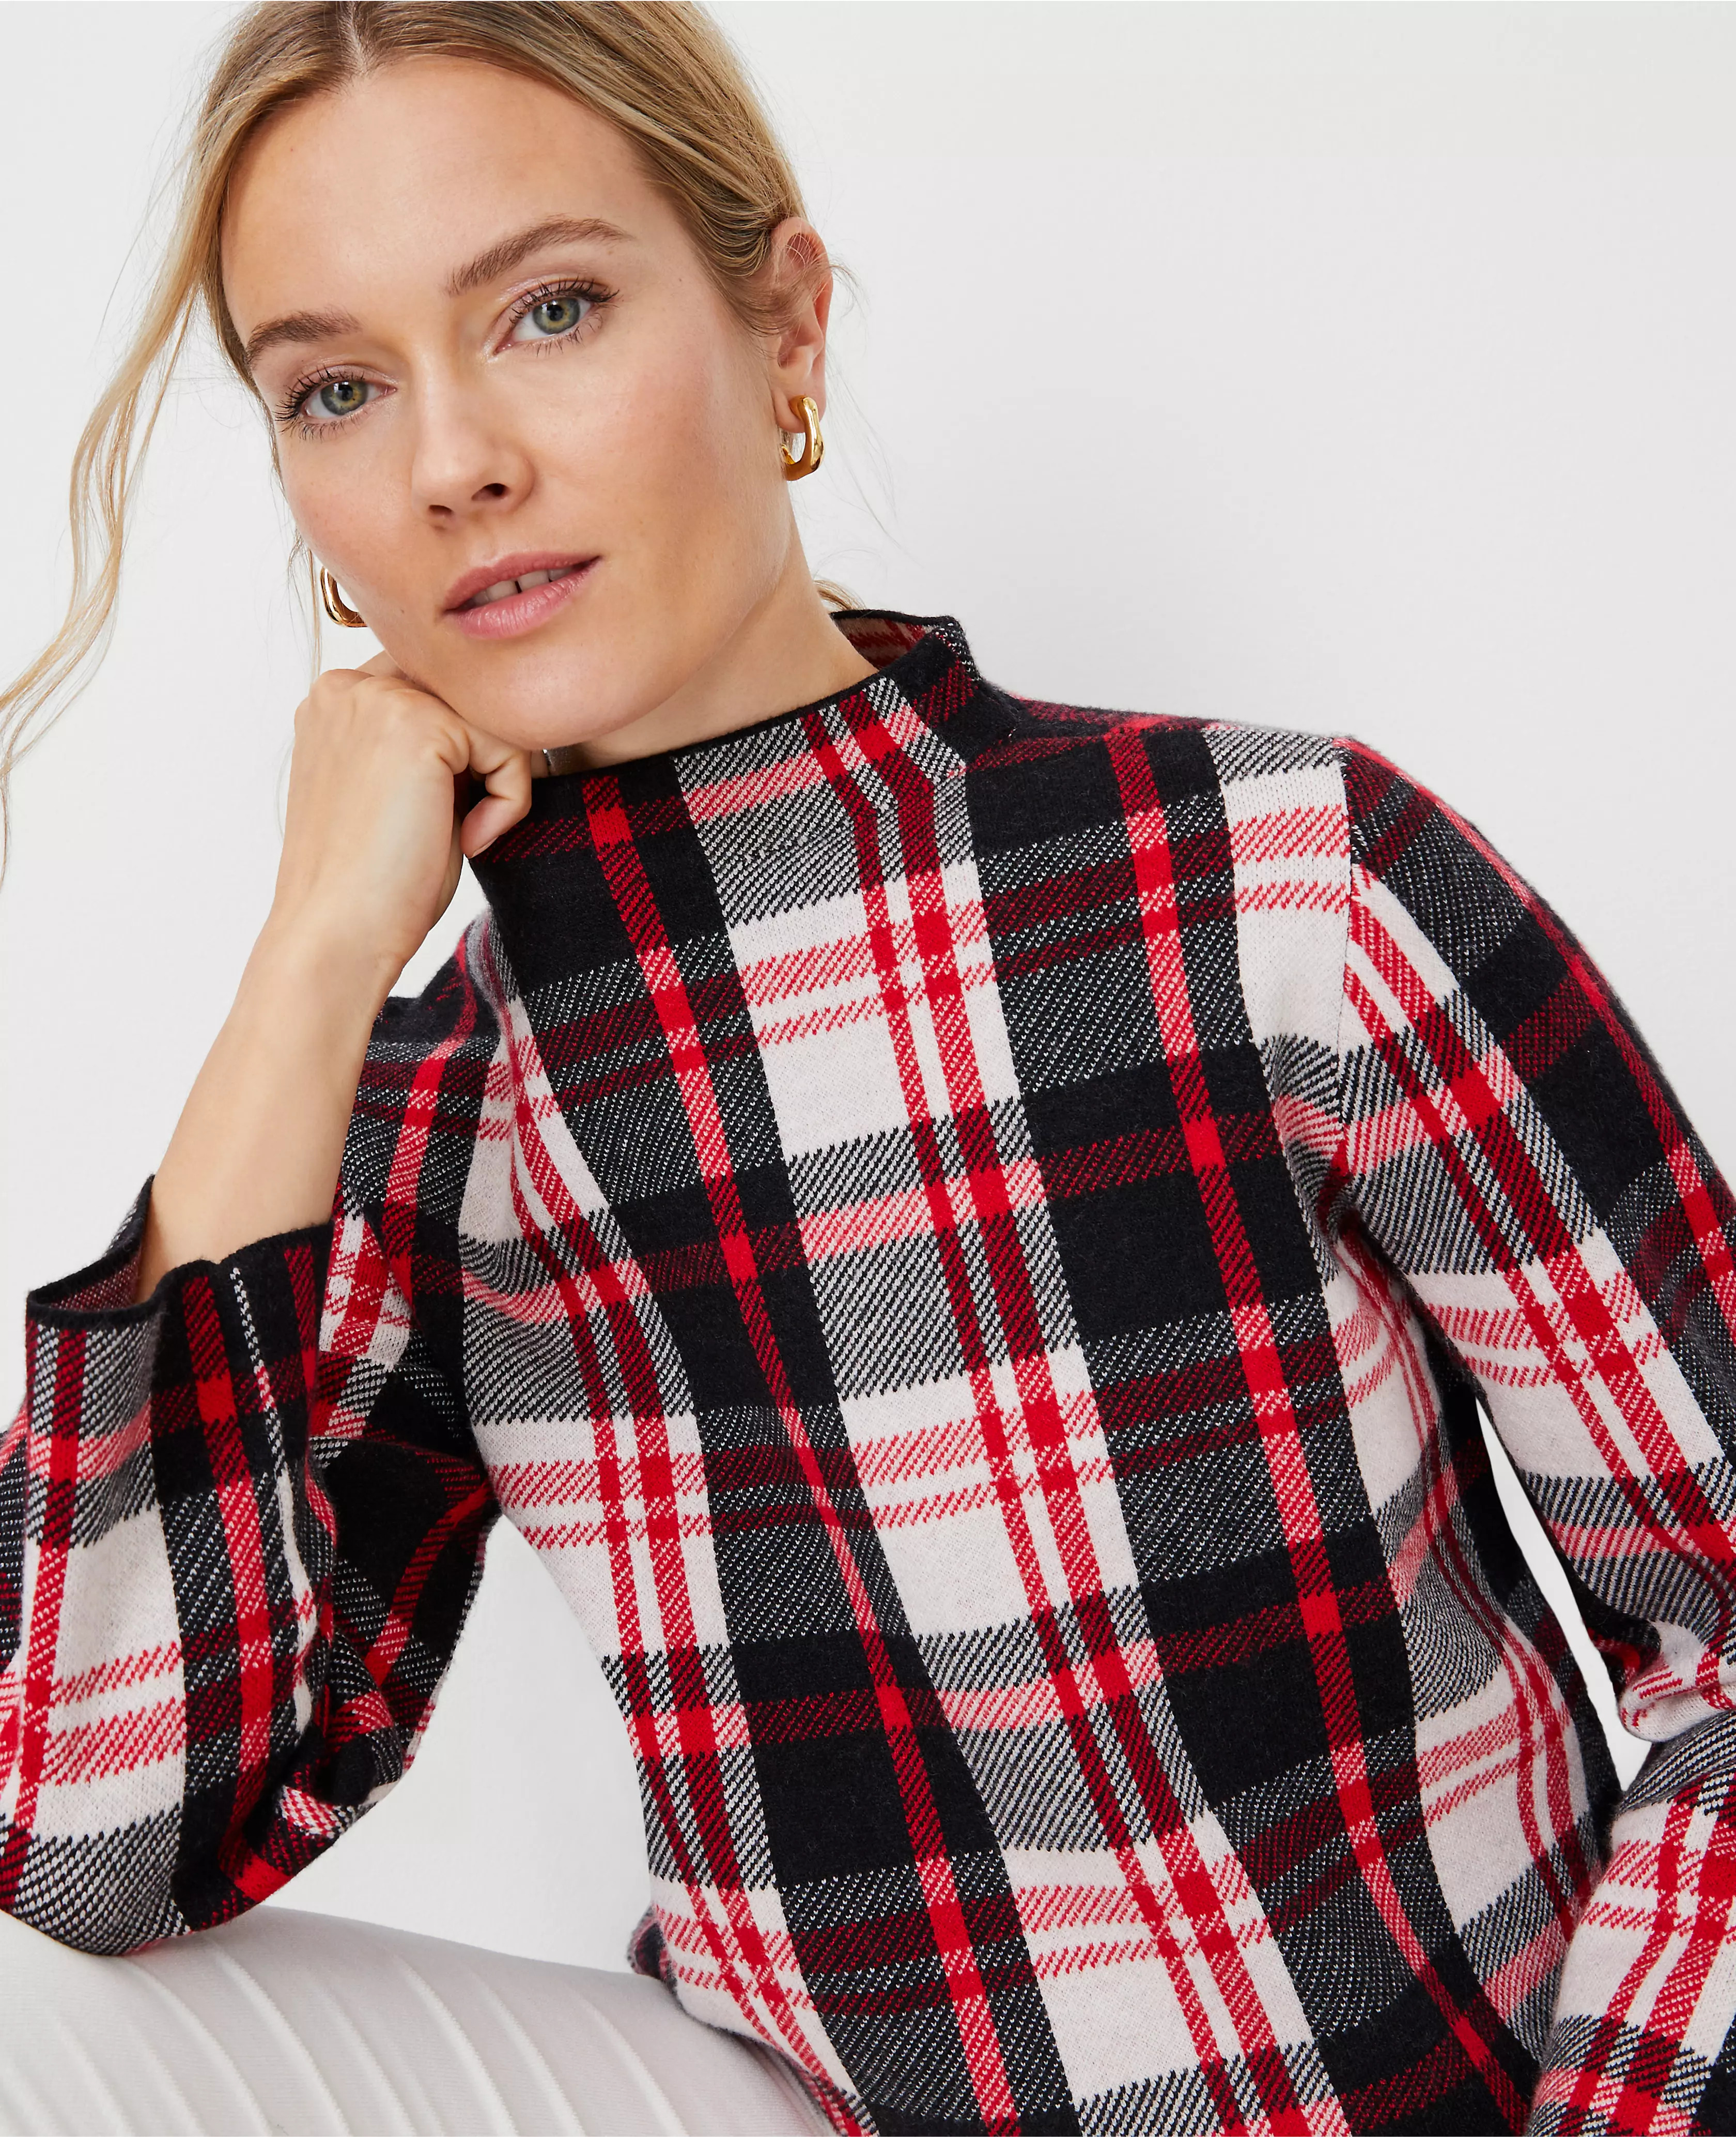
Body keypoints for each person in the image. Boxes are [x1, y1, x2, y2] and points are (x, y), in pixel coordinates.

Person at [2, 4, 1733, 2132]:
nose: (452, 461)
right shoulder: (429, 1124)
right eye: (336, 388)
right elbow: (79, 1845)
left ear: (787, 327)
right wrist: (309, 966)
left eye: (550, 309)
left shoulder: (1279, 879)